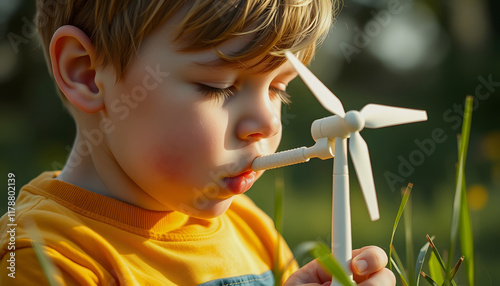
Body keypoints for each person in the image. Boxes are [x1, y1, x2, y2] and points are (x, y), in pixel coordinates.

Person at [0, 0, 395, 285]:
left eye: (278, 89)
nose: (266, 123)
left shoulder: (250, 227)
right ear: (86, 73)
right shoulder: (46, 258)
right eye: (217, 87)